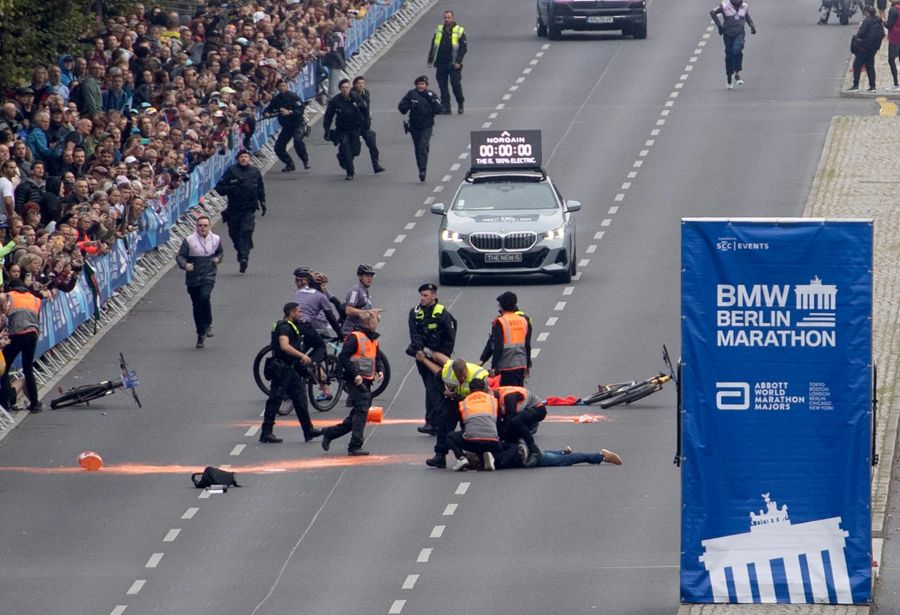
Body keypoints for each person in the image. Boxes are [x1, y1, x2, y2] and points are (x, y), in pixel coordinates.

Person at [321, 311, 384, 456]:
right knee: (361, 409)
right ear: (368, 323)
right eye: (376, 321)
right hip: (354, 380)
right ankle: (355, 445)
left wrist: (380, 370)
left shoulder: (373, 338)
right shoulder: (355, 338)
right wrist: (355, 375)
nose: (377, 324)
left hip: (367, 379)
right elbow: (343, 358)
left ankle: (330, 433)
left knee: (358, 414)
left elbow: (377, 357)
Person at [260, 302, 324, 444]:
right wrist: (301, 355)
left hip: (289, 368)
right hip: (282, 369)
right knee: (275, 400)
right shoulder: (284, 327)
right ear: (291, 313)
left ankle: (308, 430)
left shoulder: (288, 326)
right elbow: (284, 346)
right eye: (298, 312)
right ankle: (266, 432)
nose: (300, 314)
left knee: (300, 398)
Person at [416, 354, 489, 468]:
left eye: (463, 375)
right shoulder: (448, 373)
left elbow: (487, 394)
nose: (461, 379)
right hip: (455, 400)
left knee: (471, 429)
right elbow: (437, 376)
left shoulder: (478, 375)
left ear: (466, 370)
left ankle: (475, 457)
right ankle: (440, 456)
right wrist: (444, 392)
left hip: (472, 404)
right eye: (458, 376)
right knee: (444, 424)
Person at [406, 282, 457, 435]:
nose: (422, 298)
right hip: (422, 358)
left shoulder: (442, 313)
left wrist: (443, 355)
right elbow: (414, 333)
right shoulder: (415, 313)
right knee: (430, 388)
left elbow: (450, 336)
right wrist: (420, 351)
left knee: (434, 389)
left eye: (425, 295)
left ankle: (438, 422)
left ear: (433, 296)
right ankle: (433, 422)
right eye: (421, 295)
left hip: (438, 358)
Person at [175, 214, 222, 349]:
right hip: (193, 278)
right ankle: (200, 333)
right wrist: (185, 265)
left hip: (209, 275)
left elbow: (220, 252)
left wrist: (218, 259)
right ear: (196, 227)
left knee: (205, 296)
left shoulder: (216, 239)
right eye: (200, 225)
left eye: (205, 226)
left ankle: (208, 323)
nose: (202, 228)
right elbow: (180, 257)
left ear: (209, 226)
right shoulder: (189, 240)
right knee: (197, 305)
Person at [215, 150, 265, 273]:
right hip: (234, 209)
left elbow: (260, 187)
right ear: (237, 159)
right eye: (241, 157)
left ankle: (244, 258)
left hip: (249, 208)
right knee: (235, 234)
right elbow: (219, 188)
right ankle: (241, 251)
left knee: (246, 231)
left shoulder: (255, 171)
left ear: (249, 159)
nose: (244, 159)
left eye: (246, 156)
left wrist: (263, 201)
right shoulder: (231, 171)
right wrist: (232, 188)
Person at [0, 277, 43, 412]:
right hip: (32, 333)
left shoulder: (9, 296)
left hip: (16, 334)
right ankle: (35, 403)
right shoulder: (35, 299)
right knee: (28, 368)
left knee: (4, 368)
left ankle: (6, 401)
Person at [479, 291, 532, 386]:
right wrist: (528, 365)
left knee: (507, 394)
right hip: (521, 363)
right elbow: (527, 345)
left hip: (506, 365)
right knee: (520, 393)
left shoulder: (500, 321)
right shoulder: (524, 320)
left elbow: (497, 346)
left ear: (501, 306)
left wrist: (494, 367)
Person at [447, 379, 502, 472]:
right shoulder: (493, 400)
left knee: (450, 436)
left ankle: (461, 458)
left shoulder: (464, 402)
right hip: (493, 442)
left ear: (470, 390)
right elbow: (500, 417)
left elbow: (460, 420)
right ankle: (488, 454)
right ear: (484, 389)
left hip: (472, 441)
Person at [397, 75, 443, 182]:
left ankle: (423, 170)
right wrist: (408, 106)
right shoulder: (411, 94)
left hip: (427, 126)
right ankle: (421, 169)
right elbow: (401, 108)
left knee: (423, 146)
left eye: (423, 84)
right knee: (418, 148)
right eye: (419, 84)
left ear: (426, 85)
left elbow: (440, 109)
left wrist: (432, 100)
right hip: (414, 126)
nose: (421, 86)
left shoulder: (431, 94)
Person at [322, 78, 368, 181]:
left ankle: (342, 158)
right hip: (342, 129)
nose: (345, 89)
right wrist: (326, 130)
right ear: (340, 89)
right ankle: (350, 172)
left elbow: (365, 110)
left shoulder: (356, 97)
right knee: (346, 149)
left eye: (347, 87)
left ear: (350, 88)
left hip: (355, 128)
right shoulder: (335, 101)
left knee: (355, 151)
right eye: (343, 87)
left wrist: (365, 124)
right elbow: (328, 116)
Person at [465, 443, 623, 470]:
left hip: (530, 458)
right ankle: (562, 451)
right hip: (529, 452)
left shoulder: (493, 459)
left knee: (564, 461)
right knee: (551, 455)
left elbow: (509, 455)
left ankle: (601, 456)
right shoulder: (490, 450)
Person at [264, 79, 310, 173]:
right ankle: (289, 164)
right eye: (280, 86)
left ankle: (305, 160)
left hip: (298, 124)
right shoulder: (276, 99)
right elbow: (269, 108)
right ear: (277, 88)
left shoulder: (293, 97)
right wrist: (266, 113)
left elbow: (300, 110)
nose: (282, 88)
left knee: (297, 140)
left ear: (286, 86)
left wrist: (290, 112)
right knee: (278, 148)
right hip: (286, 127)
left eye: (284, 85)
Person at [709, 0, 757, 89]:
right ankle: (729, 77)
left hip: (739, 33)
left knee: (736, 50)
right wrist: (719, 26)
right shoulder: (724, 5)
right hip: (728, 33)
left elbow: (747, 17)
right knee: (729, 55)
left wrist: (752, 26)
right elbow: (712, 12)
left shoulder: (744, 6)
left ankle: (737, 73)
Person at [427, 10, 467, 114]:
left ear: (453, 18)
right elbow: (434, 45)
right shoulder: (439, 29)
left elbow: (463, 48)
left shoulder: (459, 30)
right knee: (442, 86)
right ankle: (446, 107)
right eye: (445, 18)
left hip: (454, 63)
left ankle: (460, 103)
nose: (447, 20)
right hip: (441, 62)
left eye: (449, 18)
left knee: (455, 85)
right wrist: (430, 60)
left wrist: (459, 61)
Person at [496, 385, 547, 463]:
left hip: (538, 409)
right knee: (508, 428)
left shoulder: (509, 397)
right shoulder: (498, 397)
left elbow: (510, 419)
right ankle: (515, 449)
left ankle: (534, 450)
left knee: (516, 421)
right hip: (523, 411)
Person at [352, 76, 385, 174]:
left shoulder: (366, 93)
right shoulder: (351, 95)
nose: (361, 85)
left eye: (362, 83)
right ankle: (347, 163)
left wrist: (367, 121)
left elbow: (366, 109)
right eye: (358, 83)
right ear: (354, 85)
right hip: (353, 125)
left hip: (364, 125)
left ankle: (376, 164)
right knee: (354, 149)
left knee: (372, 143)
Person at [849, 5, 885, 92]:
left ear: (867, 12)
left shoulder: (866, 21)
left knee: (857, 65)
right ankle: (872, 86)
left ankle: (856, 85)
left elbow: (861, 34)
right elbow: (882, 34)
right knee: (870, 66)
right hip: (873, 48)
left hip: (864, 47)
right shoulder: (878, 21)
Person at [342, 263, 380, 336]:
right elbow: (348, 310)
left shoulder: (367, 293)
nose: (370, 278)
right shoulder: (356, 290)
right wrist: (368, 312)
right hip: (351, 333)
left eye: (371, 276)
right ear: (360, 276)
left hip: (362, 332)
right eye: (367, 276)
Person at [886, 0, 900, 90]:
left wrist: (883, 22)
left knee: (891, 59)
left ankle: (896, 83)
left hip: (895, 37)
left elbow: (890, 25)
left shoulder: (893, 10)